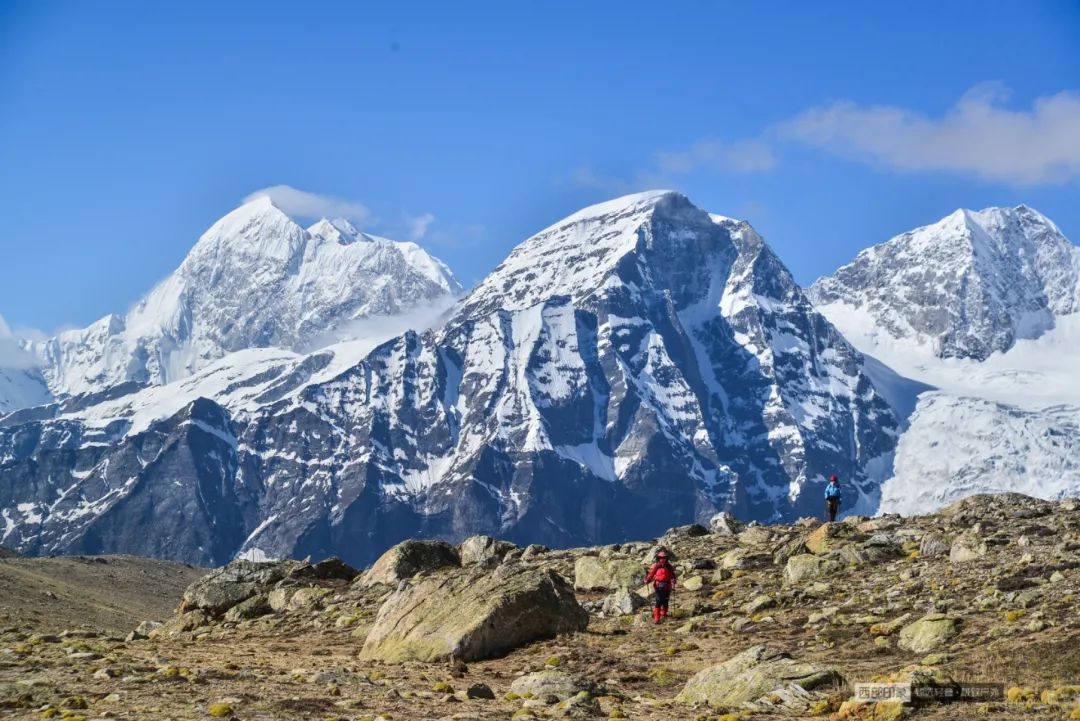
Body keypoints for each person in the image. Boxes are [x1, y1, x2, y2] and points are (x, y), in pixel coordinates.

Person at [643, 548, 677, 623]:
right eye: (661, 558)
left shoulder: (669, 566)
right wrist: (647, 580)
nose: (663, 559)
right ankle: (657, 617)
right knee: (659, 601)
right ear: (658, 558)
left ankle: (664, 613)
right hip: (658, 586)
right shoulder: (656, 566)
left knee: (665, 601)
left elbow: (673, 575)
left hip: (667, 586)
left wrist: (673, 580)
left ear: (666, 558)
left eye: (664, 557)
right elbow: (651, 574)